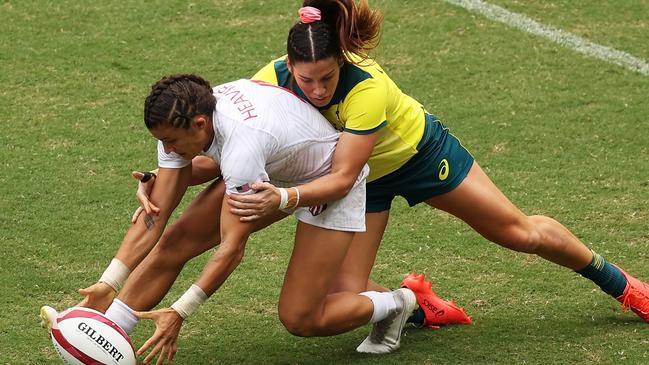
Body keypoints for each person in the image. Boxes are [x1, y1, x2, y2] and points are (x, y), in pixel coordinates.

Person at [128, 0, 649, 354]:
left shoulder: (367, 87)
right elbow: (236, 144)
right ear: (289, 63)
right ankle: (416, 305)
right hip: (357, 182)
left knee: (517, 232)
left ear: (344, 61)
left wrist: (283, 197)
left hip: (415, 157)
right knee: (340, 294)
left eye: (327, 77)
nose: (315, 89)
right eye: (305, 78)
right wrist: (162, 170)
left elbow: (344, 173)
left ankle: (623, 286)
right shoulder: (275, 76)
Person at [41, 74, 428, 365]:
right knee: (177, 241)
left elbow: (231, 248)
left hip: (325, 183)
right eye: (162, 142)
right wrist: (110, 281)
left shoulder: (241, 149)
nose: (168, 149)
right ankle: (112, 332)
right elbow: (155, 215)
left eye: (172, 142)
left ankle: (396, 304)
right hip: (273, 165)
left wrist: (180, 311)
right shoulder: (184, 117)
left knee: (301, 317)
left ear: (199, 125)